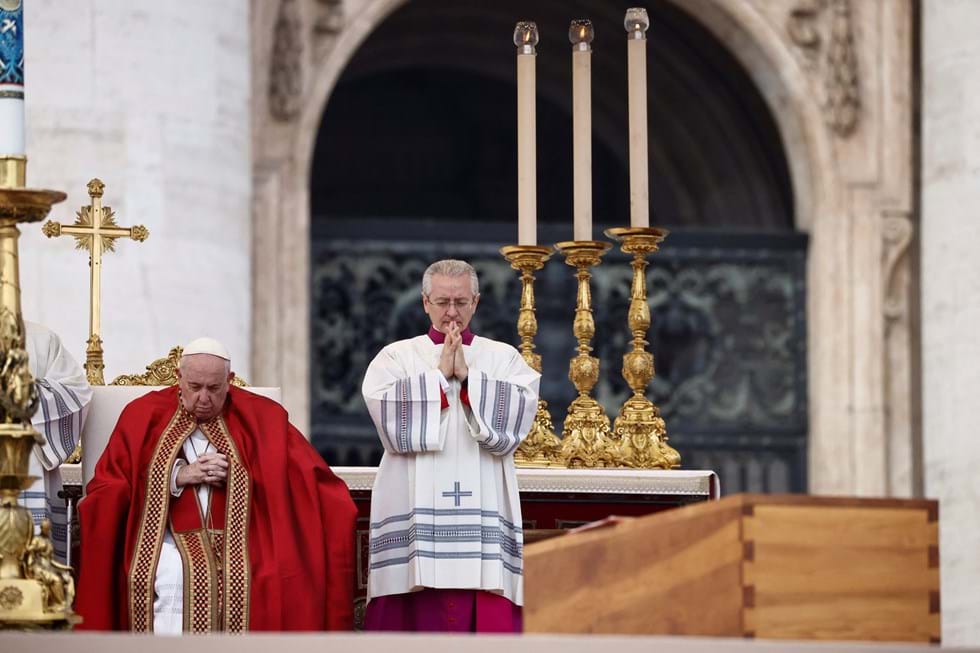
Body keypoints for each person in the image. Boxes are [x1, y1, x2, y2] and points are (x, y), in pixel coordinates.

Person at [76, 337, 357, 633]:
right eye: (195, 387)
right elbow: (109, 485)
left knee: (268, 578)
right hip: (167, 539)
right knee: (173, 574)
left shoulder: (263, 417)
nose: (203, 399)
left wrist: (239, 475)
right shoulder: (143, 415)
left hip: (248, 541)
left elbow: (305, 479)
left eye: (214, 388)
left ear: (230, 381)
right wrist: (177, 476)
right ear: (178, 378)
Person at [361, 259, 540, 633]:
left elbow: (517, 420)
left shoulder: (503, 357)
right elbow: (389, 421)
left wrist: (470, 380)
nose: (452, 312)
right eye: (442, 302)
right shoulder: (396, 356)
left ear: (476, 301)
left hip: (483, 507)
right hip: (414, 508)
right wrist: (440, 378)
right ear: (425, 302)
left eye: (461, 302)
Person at [20, 321, 93, 563]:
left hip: (26, 459)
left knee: (31, 562)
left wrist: (23, 394)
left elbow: (76, 393)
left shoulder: (40, 338)